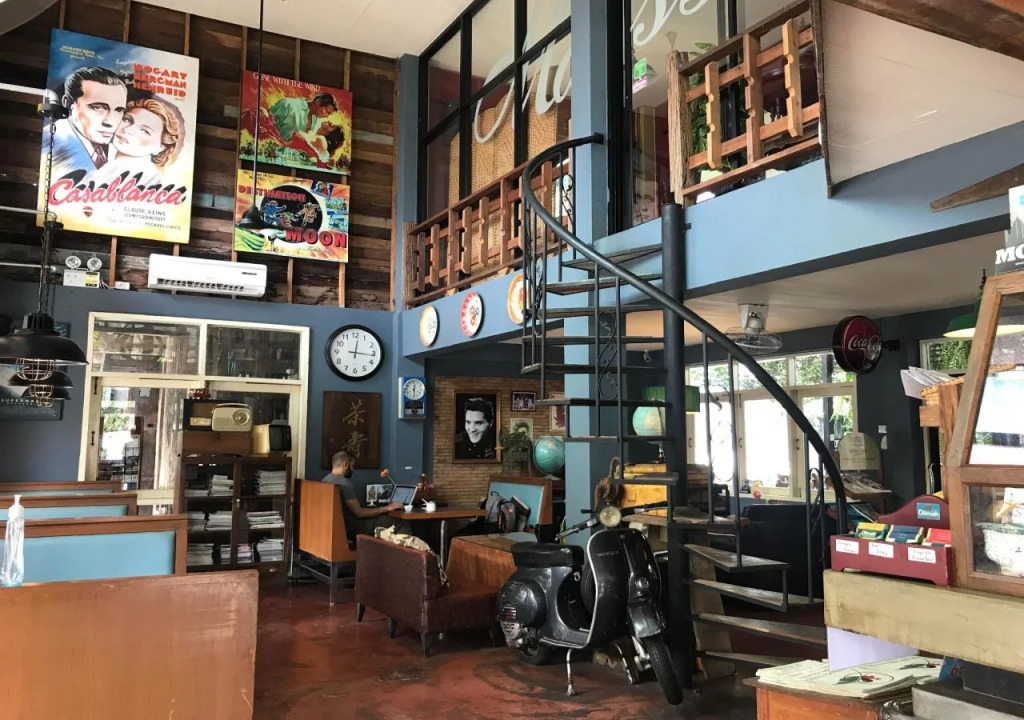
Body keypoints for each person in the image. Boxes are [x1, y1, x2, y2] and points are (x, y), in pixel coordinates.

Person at [84, 97, 186, 188]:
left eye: (145, 131)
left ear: (161, 146)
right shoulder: (103, 161)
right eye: (127, 120)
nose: (128, 130)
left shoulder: (145, 179)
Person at [51, 66, 128, 171]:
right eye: (97, 107)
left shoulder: (122, 147)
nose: (110, 122)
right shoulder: (51, 145)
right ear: (68, 103)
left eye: (119, 110)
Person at [322, 450, 408, 540]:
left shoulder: (325, 480)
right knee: (400, 521)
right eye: (353, 466)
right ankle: (409, 548)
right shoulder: (345, 483)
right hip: (352, 528)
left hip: (334, 527)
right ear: (345, 464)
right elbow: (359, 513)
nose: (353, 470)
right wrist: (387, 508)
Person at [268, 91, 337, 148]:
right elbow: (266, 123)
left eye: (329, 114)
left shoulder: (317, 123)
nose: (327, 116)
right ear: (318, 102)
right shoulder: (288, 104)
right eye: (327, 112)